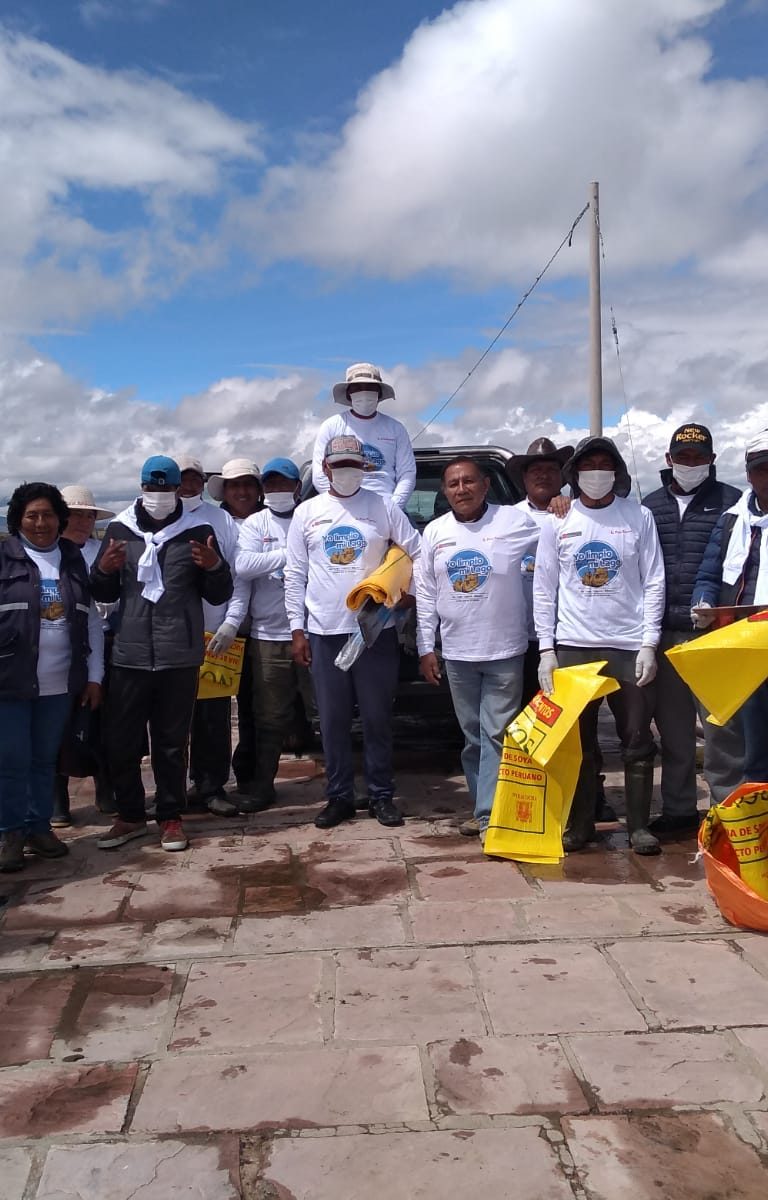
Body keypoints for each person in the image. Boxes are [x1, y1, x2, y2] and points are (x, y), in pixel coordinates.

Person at [91, 455, 233, 853]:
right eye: (152, 487)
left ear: (177, 490)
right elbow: (103, 593)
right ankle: (131, 816)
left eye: (166, 488)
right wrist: (104, 570)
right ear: (141, 488)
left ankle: (170, 816)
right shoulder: (120, 529)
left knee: (171, 743)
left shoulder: (198, 531)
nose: (159, 494)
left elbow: (219, 594)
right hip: (130, 653)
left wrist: (214, 567)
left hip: (178, 654)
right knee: (121, 740)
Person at [533, 437, 666, 855]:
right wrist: (546, 649)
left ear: (617, 472)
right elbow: (544, 588)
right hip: (574, 645)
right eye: (587, 465)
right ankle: (581, 825)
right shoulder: (558, 520)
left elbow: (654, 580)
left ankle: (639, 827)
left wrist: (649, 642)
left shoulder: (638, 516)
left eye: (604, 465)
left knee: (637, 739)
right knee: (578, 743)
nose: (595, 473)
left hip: (628, 645)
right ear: (574, 474)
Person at [286, 435, 421, 828]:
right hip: (324, 631)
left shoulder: (383, 506)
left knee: (378, 719)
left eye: (353, 465)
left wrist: (408, 592)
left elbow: (417, 550)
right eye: (339, 465)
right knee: (332, 721)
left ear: (364, 468)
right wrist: (297, 630)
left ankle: (381, 795)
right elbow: (294, 575)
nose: (347, 472)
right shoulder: (307, 512)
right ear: (326, 468)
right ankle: (339, 796)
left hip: (374, 631)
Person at [416, 456, 539, 842]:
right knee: (472, 738)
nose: (461, 489)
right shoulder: (435, 532)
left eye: (469, 481)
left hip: (504, 650)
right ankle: (483, 805)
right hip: (457, 654)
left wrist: (561, 503)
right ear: (445, 492)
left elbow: (557, 537)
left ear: (486, 485)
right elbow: (425, 593)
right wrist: (425, 646)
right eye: (453, 484)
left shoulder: (515, 521)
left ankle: (490, 818)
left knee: (497, 733)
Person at [643, 424, 743, 833]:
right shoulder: (649, 506)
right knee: (674, 731)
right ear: (669, 460)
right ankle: (680, 810)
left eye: (698, 457)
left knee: (721, 731)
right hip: (666, 633)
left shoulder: (733, 503)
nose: (690, 463)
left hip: (715, 634)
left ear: (712, 460)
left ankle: (727, 814)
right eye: (682, 457)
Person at [0, 483, 104, 872]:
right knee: (11, 760)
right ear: (18, 520)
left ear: (59, 519)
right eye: (32, 515)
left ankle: (39, 827)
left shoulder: (73, 560)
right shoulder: (4, 559)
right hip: (9, 682)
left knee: (44, 759)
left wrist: (94, 677)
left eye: (48, 515)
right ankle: (9, 833)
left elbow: (90, 620)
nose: (41, 523)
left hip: (59, 684)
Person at [236, 457, 313, 812]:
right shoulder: (256, 522)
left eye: (283, 483)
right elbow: (244, 565)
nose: (276, 489)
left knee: (327, 712)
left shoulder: (311, 516)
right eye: (271, 483)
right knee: (269, 716)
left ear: (297, 487)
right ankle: (263, 786)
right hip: (267, 634)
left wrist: (276, 558)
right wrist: (293, 554)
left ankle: (342, 786)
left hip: (314, 631)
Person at [693, 430, 768, 785]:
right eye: (762, 470)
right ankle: (753, 807)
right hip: (743, 645)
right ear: (749, 475)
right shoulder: (732, 521)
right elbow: (709, 574)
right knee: (748, 738)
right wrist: (703, 602)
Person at [176, 455, 249, 817]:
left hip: (215, 634)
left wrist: (231, 621)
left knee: (214, 719)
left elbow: (237, 574)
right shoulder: (153, 518)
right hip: (173, 636)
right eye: (182, 479)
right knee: (173, 719)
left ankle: (212, 786)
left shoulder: (221, 520)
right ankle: (175, 789)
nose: (188, 486)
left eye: (194, 479)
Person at [52, 485, 115, 827]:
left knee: (104, 723)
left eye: (88, 515)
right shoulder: (49, 554)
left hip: (105, 640)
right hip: (61, 647)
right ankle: (56, 798)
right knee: (58, 724)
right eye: (74, 515)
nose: (81, 521)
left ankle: (106, 787)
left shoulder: (102, 550)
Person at [207, 458, 263, 793]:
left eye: (248, 484)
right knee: (212, 709)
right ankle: (210, 780)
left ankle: (249, 774)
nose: (242, 491)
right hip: (220, 627)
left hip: (263, 629)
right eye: (234, 485)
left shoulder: (273, 519)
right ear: (224, 491)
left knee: (255, 707)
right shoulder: (213, 522)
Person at [506, 438, 574, 706]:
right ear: (524, 478)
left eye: (551, 469)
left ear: (562, 476)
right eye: (536, 470)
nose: (543, 475)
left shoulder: (577, 514)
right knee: (523, 712)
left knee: (566, 711)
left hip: (565, 636)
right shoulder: (506, 517)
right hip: (519, 638)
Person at [311, 363, 416, 508]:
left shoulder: (396, 429)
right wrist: (342, 505)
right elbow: (319, 475)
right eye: (358, 388)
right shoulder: (331, 426)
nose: (364, 392)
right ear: (348, 393)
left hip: (388, 505)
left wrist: (393, 508)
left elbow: (407, 473)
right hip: (344, 508)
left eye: (370, 387)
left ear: (379, 393)